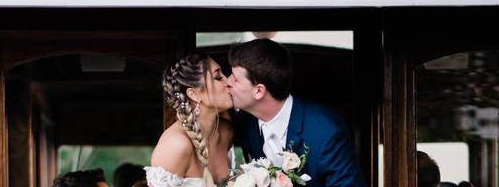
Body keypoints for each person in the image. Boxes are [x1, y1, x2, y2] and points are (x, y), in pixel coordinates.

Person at [227, 39, 366, 187]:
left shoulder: (327, 134)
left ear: (259, 91)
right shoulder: (245, 121)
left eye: (235, 79)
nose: (227, 82)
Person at [147, 53, 235, 187]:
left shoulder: (226, 132)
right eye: (217, 77)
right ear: (194, 94)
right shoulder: (175, 145)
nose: (228, 81)